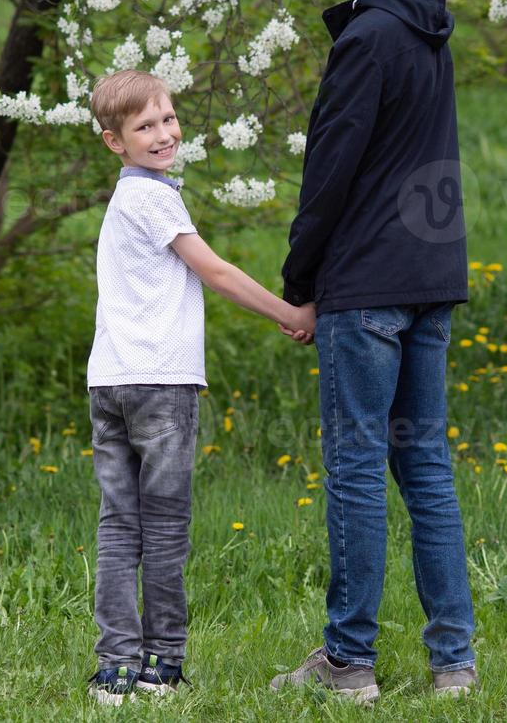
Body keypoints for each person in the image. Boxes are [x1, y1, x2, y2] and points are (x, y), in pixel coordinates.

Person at [269, 0, 477, 704]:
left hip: (368, 285)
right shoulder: (426, 26)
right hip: (429, 275)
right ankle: (452, 667)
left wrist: (299, 280)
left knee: (357, 467)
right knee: (424, 467)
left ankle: (348, 665)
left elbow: (330, 170)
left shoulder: (368, 36)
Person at [84, 69, 316, 705]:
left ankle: (114, 671)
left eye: (167, 118)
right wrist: (289, 313)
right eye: (145, 127)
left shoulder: (123, 199)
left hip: (109, 381)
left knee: (118, 526)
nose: (163, 134)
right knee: (161, 528)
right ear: (115, 142)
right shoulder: (154, 197)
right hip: (160, 383)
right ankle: (161, 666)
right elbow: (212, 270)